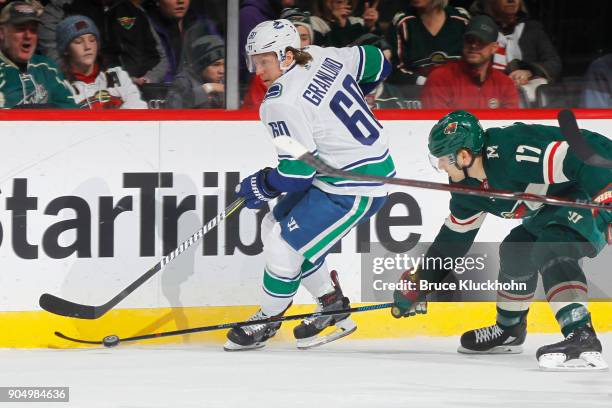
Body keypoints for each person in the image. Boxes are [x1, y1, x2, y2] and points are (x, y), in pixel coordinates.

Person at [391, 110, 612, 371]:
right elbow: (453, 240)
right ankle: (509, 330)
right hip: (558, 203)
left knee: (552, 246)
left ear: (463, 155)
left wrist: (608, 198)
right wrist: (421, 281)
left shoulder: (512, 152)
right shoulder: (466, 188)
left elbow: (581, 152)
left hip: (594, 186)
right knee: (515, 250)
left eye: (442, 159)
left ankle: (581, 334)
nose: (440, 166)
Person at [225, 19, 394, 351]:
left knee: (283, 245)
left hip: (352, 187)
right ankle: (332, 304)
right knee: (277, 223)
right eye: (254, 61)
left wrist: (261, 184)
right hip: (344, 171)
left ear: (287, 55)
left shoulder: (279, 102)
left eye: (264, 61)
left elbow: (296, 173)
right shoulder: (318, 54)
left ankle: (268, 319)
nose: (257, 70)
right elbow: (378, 61)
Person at [470, 0, 561, 105]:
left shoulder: (532, 28)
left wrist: (529, 72)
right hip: (489, 99)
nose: (511, 1)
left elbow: (554, 63)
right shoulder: (477, 29)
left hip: (530, 102)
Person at [421, 14, 519, 109]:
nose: (474, 46)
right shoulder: (440, 79)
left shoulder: (505, 84)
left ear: (494, 48)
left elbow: (510, 125)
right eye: (469, 40)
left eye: (481, 41)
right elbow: (438, 124)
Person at [56, 15, 147, 109]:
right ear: (66, 50)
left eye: (92, 40)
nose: (87, 47)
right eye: (78, 42)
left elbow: (139, 109)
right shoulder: (60, 85)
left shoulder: (118, 76)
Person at [0, 1, 76, 108]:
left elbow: (71, 112)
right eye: (20, 29)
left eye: (33, 30)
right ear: (2, 32)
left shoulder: (47, 67)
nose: (28, 35)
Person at [387, 0, 469, 86]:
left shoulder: (461, 18)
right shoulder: (403, 22)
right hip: (415, 92)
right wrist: (425, 82)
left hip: (459, 89)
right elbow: (392, 69)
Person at [166, 34, 224, 108]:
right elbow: (172, 107)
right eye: (216, 65)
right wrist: (207, 88)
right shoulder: (183, 81)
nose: (222, 71)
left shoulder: (222, 80)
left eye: (224, 65)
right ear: (201, 65)